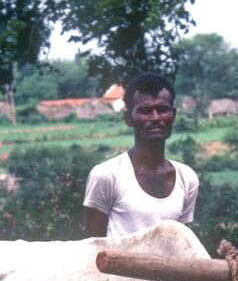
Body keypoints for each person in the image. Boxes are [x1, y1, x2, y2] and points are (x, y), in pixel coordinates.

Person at [82, 72, 199, 237]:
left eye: (162, 109)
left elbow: (181, 245)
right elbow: (93, 247)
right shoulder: (107, 175)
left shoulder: (187, 178)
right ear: (128, 118)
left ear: (173, 115)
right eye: (145, 111)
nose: (156, 118)